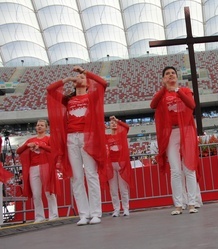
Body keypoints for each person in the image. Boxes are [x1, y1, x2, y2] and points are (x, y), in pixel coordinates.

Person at [47, 66, 107, 225]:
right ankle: (83, 214)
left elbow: (103, 84)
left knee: (91, 174)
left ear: (87, 83)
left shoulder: (92, 97)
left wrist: (85, 71)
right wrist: (66, 80)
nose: (78, 78)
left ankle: (95, 213)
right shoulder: (68, 100)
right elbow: (50, 90)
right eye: (77, 78)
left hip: (88, 138)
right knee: (76, 177)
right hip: (71, 139)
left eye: (81, 77)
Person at [150, 66, 200, 215]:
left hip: (186, 130)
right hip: (170, 133)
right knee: (175, 170)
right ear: (163, 78)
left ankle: (192, 203)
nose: (170, 75)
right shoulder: (162, 94)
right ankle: (178, 204)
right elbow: (153, 105)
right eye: (167, 74)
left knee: (189, 168)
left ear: (177, 77)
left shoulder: (184, 91)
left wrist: (177, 91)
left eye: (173, 73)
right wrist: (164, 89)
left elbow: (192, 105)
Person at [16, 120, 59, 223]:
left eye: (42, 125)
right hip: (33, 167)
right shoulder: (30, 140)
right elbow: (18, 151)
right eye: (38, 125)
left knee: (49, 192)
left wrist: (40, 146)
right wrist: (27, 145)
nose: (39, 127)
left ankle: (54, 214)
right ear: (35, 127)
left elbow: (54, 150)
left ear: (46, 128)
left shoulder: (48, 139)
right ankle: (39, 216)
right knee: (36, 194)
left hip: (46, 166)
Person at [106, 116, 132, 217]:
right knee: (113, 189)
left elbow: (127, 127)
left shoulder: (122, 135)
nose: (113, 124)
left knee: (123, 188)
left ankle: (126, 208)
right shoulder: (107, 137)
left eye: (114, 123)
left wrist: (117, 120)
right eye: (111, 123)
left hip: (121, 164)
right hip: (111, 165)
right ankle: (116, 209)